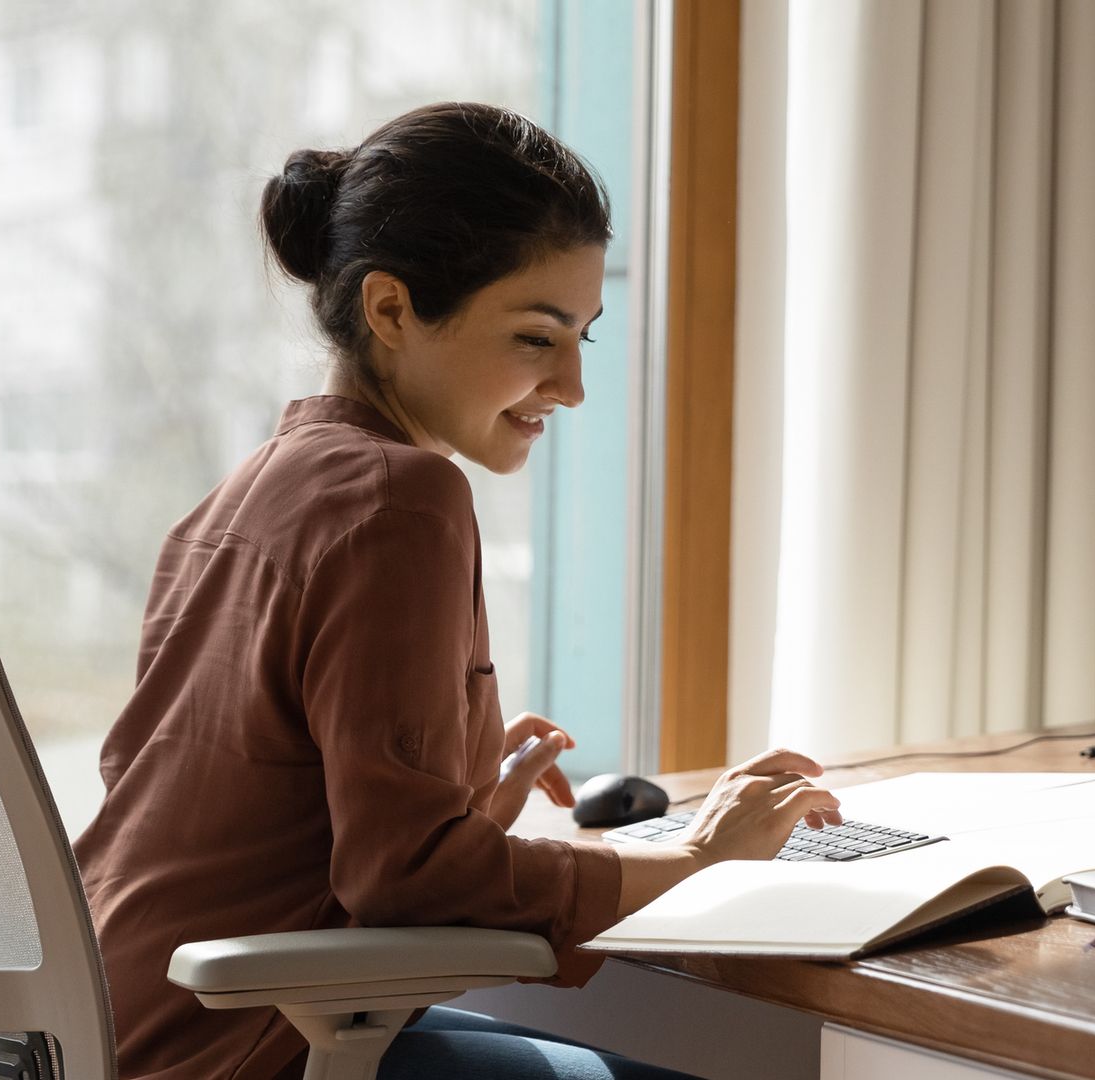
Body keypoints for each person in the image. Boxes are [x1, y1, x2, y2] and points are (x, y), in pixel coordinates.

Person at [73, 101, 843, 1080]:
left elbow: (252, 817)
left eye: (583, 340)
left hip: (127, 1032)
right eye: (535, 338)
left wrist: (460, 805)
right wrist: (698, 862)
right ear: (392, 311)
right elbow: (404, 878)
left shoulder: (243, 495)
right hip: (241, 1053)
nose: (571, 386)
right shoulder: (402, 495)